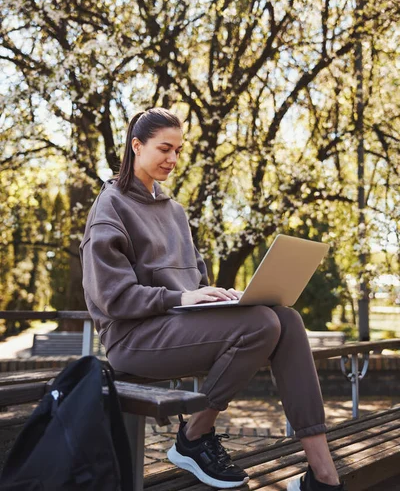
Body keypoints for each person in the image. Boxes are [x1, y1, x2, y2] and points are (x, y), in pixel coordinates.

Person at [80, 108, 345, 491]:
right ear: (136, 146)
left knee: (285, 319)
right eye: (164, 149)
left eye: (178, 150)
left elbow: (195, 280)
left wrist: (225, 298)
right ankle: (194, 437)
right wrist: (184, 298)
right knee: (262, 325)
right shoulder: (110, 209)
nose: (173, 159)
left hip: (177, 328)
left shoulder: (174, 210)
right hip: (133, 339)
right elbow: (113, 298)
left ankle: (323, 474)